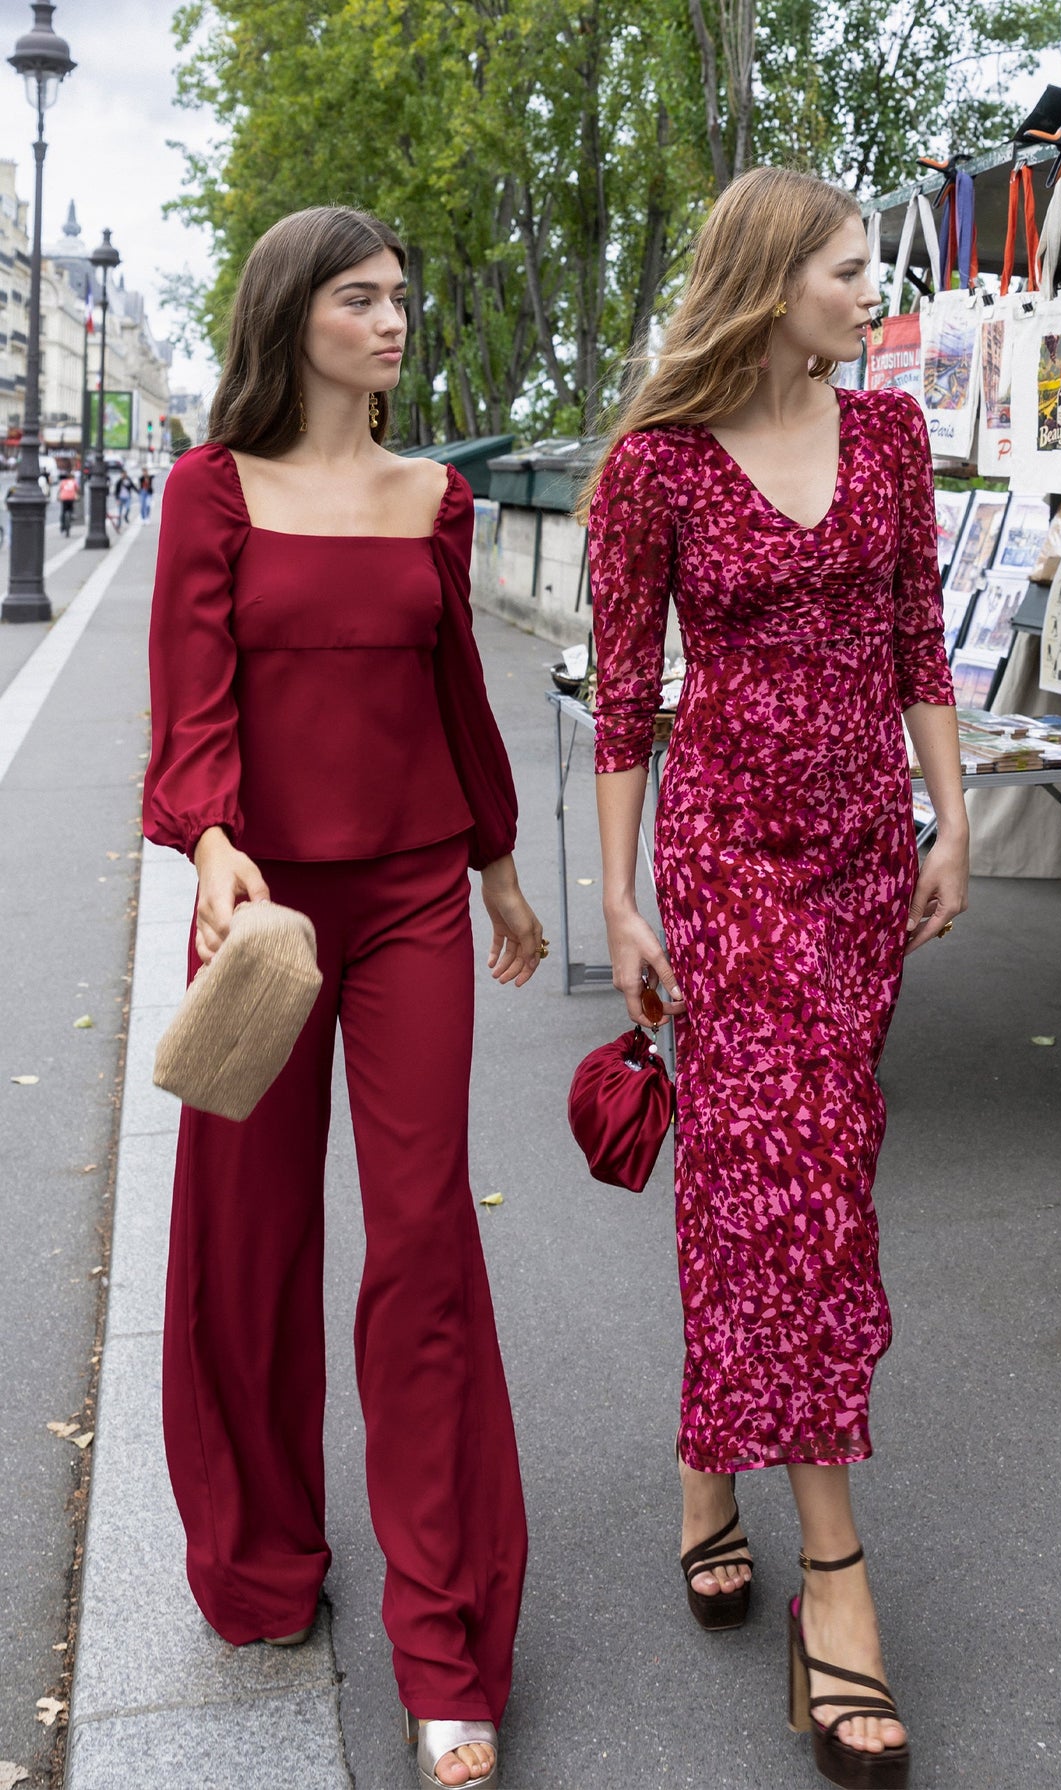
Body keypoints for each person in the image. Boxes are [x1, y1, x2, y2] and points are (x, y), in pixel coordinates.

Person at [142, 205, 541, 1790]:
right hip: (263, 919)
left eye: (402, 295)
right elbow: (190, 710)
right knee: (245, 1242)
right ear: (292, 314)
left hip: (411, 907)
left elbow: (456, 690)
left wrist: (501, 866)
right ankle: (259, 1561)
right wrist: (215, 843)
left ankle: (446, 1645)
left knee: (425, 1240)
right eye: (364, 297)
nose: (395, 318)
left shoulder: (435, 497)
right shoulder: (207, 493)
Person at [583, 166, 969, 1790]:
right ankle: (839, 1579)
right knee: (791, 1182)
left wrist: (960, 808)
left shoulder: (888, 440)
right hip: (726, 860)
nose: (871, 294)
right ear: (769, 279)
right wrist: (614, 898)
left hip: (868, 858)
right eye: (848, 269)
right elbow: (620, 700)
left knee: (779, 1179)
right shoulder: (654, 469)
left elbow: (916, 636)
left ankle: (702, 1459)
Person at [57, 470, 78, 535]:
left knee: (63, 511)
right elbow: (77, 489)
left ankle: (62, 526)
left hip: (64, 498)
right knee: (71, 509)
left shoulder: (63, 482)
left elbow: (59, 490)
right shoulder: (74, 481)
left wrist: (58, 496)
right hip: (71, 498)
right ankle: (71, 516)